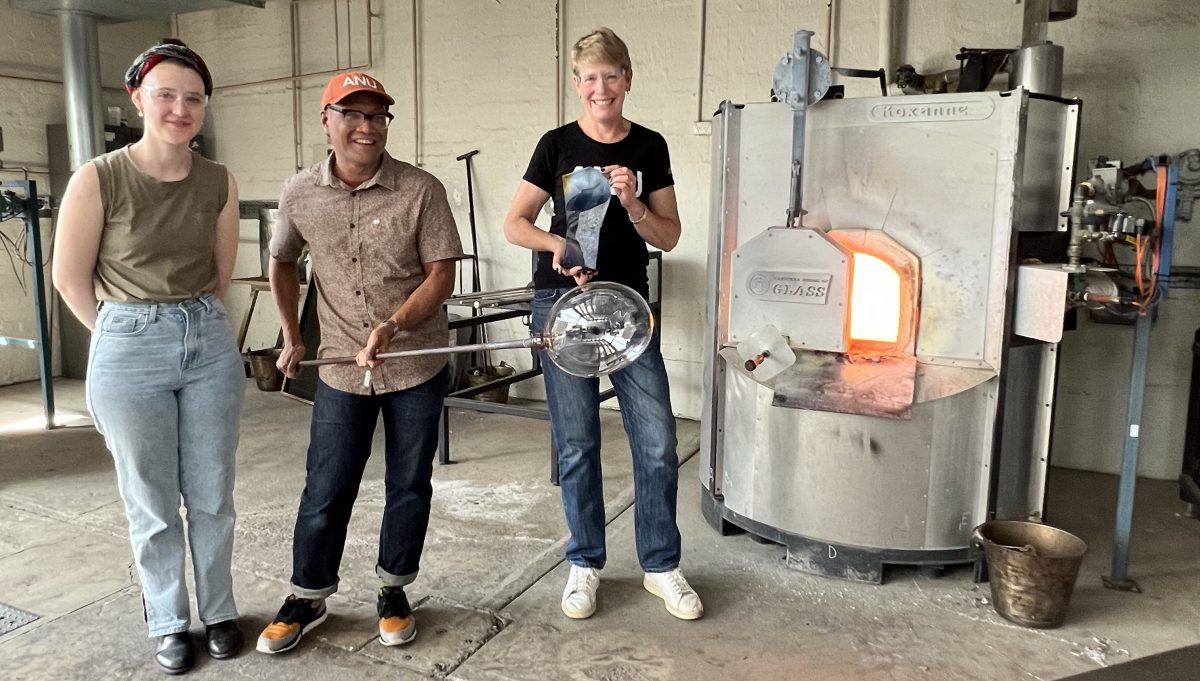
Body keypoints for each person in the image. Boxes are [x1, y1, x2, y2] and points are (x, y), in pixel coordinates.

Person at [52, 41, 245, 674]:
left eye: (193, 98)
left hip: (208, 341)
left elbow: (220, 273)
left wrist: (186, 324)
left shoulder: (218, 180)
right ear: (138, 98)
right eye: (166, 94)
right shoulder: (99, 177)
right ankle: (169, 620)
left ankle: (218, 610)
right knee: (151, 499)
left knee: (212, 492)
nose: (180, 108)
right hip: (128, 344)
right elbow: (69, 278)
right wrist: (121, 333)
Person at [257, 71, 463, 654]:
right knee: (327, 484)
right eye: (352, 114)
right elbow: (283, 261)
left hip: (415, 362)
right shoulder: (299, 192)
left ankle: (394, 589)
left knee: (408, 483)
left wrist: (394, 326)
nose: (366, 127)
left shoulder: (421, 189)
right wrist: (293, 333)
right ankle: (308, 594)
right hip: (341, 366)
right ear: (327, 121)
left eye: (377, 116)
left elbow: (442, 274)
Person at [502, 27, 703, 621]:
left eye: (610, 75)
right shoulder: (555, 144)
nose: (601, 87)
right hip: (562, 306)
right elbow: (514, 223)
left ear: (628, 78)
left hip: (627, 309)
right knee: (577, 443)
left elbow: (668, 234)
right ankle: (585, 563)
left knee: (659, 440)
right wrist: (558, 243)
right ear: (576, 84)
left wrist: (635, 202)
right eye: (589, 77)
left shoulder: (650, 146)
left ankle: (661, 566)